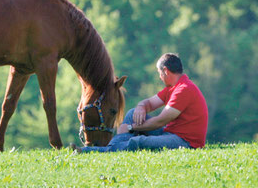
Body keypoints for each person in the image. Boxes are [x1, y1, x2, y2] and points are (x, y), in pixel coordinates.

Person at [77, 53, 208, 152]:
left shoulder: (184, 90)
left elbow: (160, 121)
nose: (159, 77)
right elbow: (149, 103)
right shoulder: (173, 88)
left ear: (166, 71)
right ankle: (111, 148)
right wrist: (141, 106)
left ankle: (95, 151)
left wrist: (130, 128)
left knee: (139, 141)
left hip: (185, 142)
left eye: (159, 73)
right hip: (170, 133)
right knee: (132, 113)